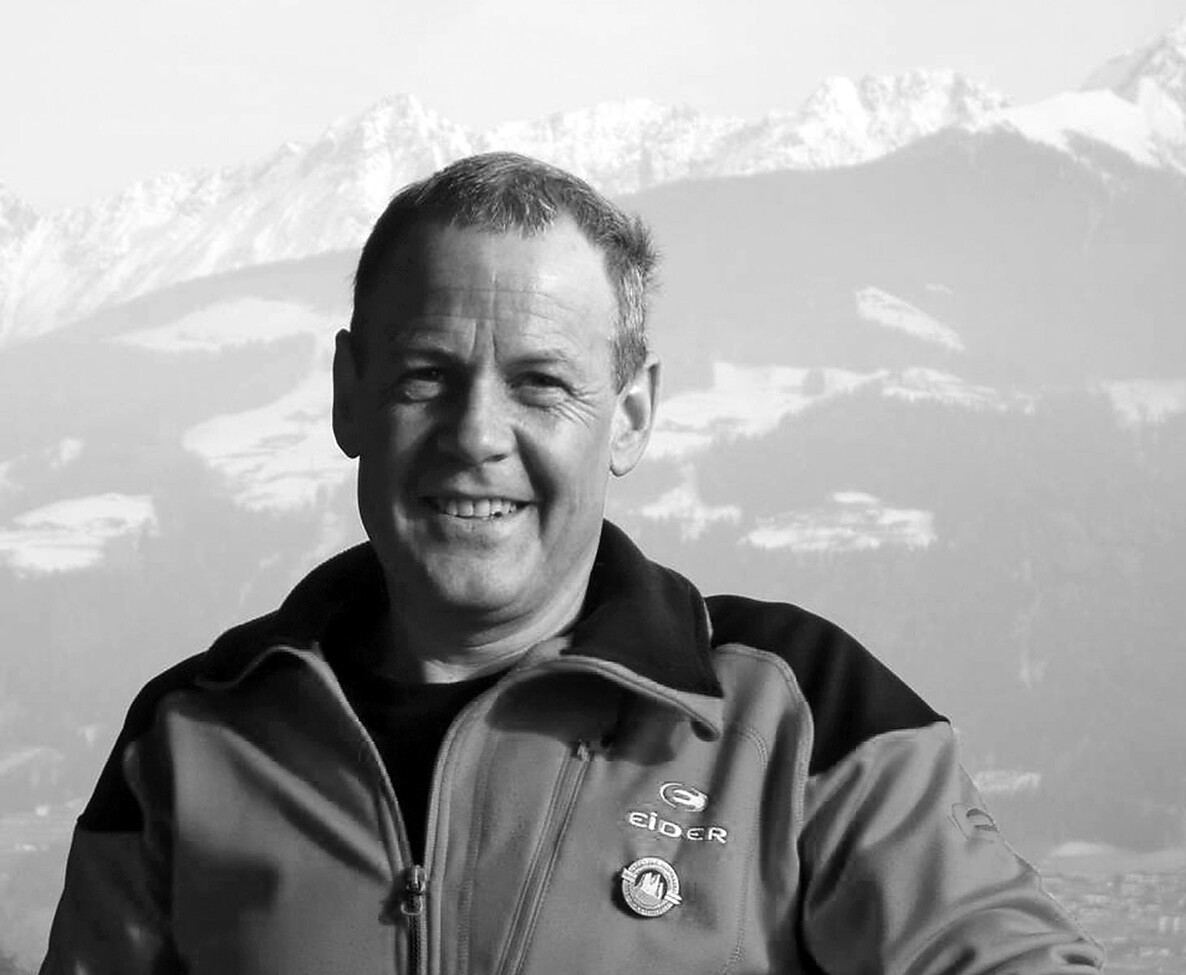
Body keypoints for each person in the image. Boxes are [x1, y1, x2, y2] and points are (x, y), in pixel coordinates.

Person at [41, 152, 1104, 974]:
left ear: (630, 417)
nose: (476, 435)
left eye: (540, 384)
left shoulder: (802, 718)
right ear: (348, 395)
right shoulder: (190, 737)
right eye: (424, 376)